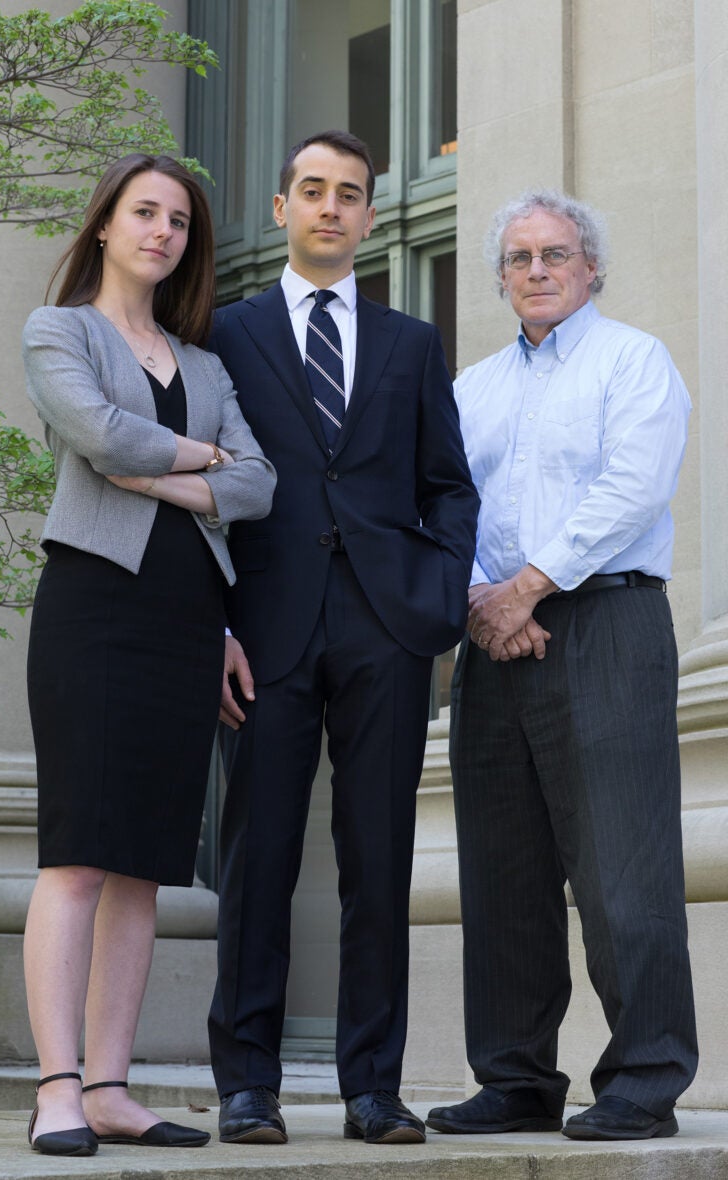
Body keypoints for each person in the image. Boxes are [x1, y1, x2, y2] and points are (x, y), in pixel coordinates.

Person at [205, 130, 479, 1147]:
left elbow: (448, 485)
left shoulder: (410, 344)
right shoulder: (227, 332)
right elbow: (204, 489)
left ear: (368, 215)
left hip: (384, 625)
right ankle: (247, 1083)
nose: (330, 207)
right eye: (312, 191)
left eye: (349, 194)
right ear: (280, 209)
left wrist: (435, 599)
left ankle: (373, 1087)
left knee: (378, 858)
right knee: (257, 854)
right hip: (263, 624)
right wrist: (214, 621)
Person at [426, 188, 698, 1143]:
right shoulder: (471, 388)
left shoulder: (634, 362)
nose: (536, 271)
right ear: (501, 278)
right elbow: (444, 506)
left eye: (555, 254)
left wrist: (529, 588)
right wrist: (485, 605)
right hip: (494, 636)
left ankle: (645, 1077)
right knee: (503, 870)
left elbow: (633, 486)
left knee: (625, 865)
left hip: (607, 623)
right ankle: (514, 1078)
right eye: (518, 258)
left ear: (592, 268)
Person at [20, 153, 275, 1157]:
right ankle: (57, 1088)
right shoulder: (60, 330)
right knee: (80, 852)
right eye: (144, 212)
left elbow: (258, 485)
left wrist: (176, 473)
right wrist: (205, 459)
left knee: (145, 868)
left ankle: (115, 1086)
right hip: (93, 610)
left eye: (177, 219)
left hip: (185, 621)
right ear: (104, 227)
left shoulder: (204, 363)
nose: (161, 231)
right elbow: (94, 432)